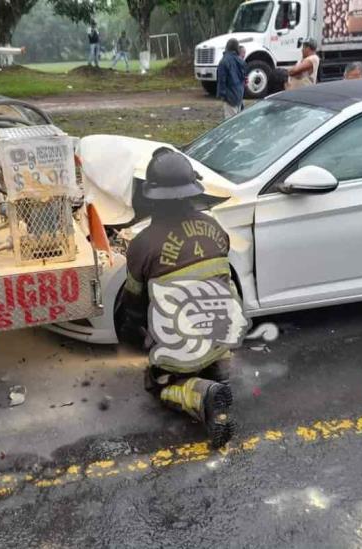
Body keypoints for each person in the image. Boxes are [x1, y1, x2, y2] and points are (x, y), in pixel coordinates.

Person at [121, 149, 239, 448]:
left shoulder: (142, 244)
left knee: (157, 381)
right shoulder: (215, 228)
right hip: (223, 334)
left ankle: (201, 395)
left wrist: (135, 338)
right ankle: (218, 370)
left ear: (151, 196)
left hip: (184, 347)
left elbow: (134, 306)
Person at [216, 38, 247, 119]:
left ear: (227, 47)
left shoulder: (224, 61)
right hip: (239, 95)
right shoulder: (240, 61)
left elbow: (222, 80)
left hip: (230, 97)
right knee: (238, 121)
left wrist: (222, 95)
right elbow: (243, 78)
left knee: (230, 123)